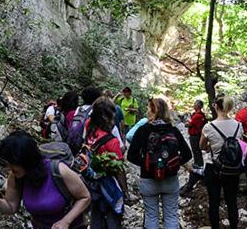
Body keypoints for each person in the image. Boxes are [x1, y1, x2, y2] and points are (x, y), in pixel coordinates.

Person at [0, 130, 90, 229]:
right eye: (8, 163)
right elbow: (11, 207)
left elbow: (85, 197)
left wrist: (66, 221)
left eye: (13, 163)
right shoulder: (16, 177)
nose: (9, 168)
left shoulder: (58, 170)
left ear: (27, 160)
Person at [127, 97, 192, 229]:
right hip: (171, 179)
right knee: (171, 216)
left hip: (148, 179)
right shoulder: (173, 130)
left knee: (151, 216)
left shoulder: (143, 130)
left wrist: (147, 165)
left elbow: (131, 155)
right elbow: (187, 154)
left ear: (151, 110)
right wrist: (173, 164)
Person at [85, 97, 130, 229]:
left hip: (91, 181)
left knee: (95, 216)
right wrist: (125, 190)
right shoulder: (112, 141)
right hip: (109, 184)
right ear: (108, 116)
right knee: (113, 217)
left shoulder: (89, 126)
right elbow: (119, 169)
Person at [200, 95, 243, 229]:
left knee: (214, 202)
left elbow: (202, 146)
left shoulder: (209, 127)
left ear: (216, 107)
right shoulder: (238, 125)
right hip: (233, 168)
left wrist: (210, 147)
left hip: (214, 167)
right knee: (232, 201)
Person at [187, 99, 207, 168]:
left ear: (198, 106)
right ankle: (198, 163)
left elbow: (189, 124)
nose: (193, 105)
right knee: (196, 150)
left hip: (195, 135)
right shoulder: (200, 115)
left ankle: (198, 164)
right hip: (198, 135)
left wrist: (187, 123)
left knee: (196, 150)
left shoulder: (197, 116)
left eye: (195, 104)